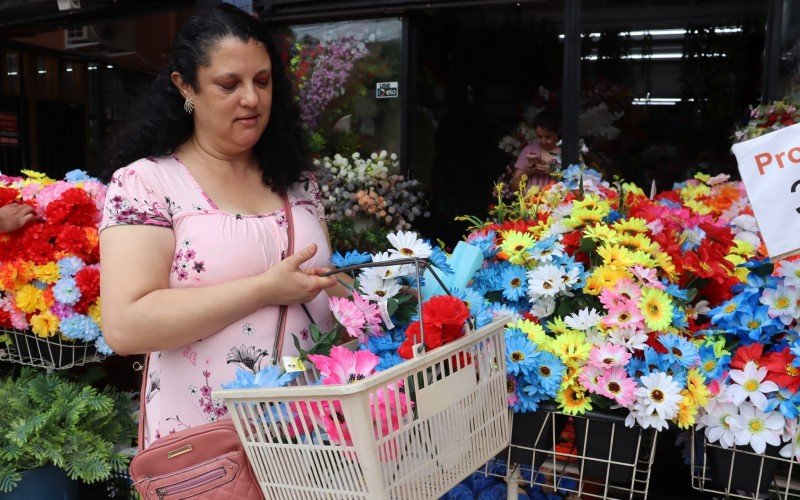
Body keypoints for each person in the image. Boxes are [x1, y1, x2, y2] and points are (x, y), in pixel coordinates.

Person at [99, 4, 342, 447]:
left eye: (262, 81)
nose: (251, 98)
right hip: (207, 447)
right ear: (185, 86)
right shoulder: (146, 183)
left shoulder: (298, 181)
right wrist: (264, 289)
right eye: (229, 84)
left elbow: (322, 291)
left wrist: (379, 298)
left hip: (315, 441)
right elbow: (126, 326)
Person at [508, 110, 562, 191]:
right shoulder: (529, 150)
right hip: (530, 201)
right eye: (539, 137)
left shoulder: (567, 151)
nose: (543, 141)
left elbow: (577, 184)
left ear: (557, 132)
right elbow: (514, 187)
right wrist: (527, 172)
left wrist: (554, 173)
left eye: (548, 137)